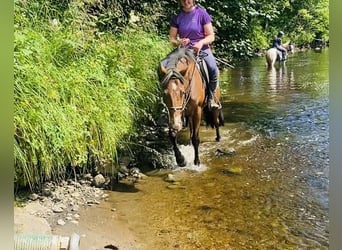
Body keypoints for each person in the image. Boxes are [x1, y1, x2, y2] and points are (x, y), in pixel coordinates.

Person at [168, 0, 219, 109]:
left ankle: (211, 97)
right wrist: (179, 41)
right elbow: (172, 39)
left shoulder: (202, 14)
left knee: (213, 69)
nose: (186, 1)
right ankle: (165, 104)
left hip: (202, 49)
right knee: (165, 66)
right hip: (183, 50)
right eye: (183, 0)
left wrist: (200, 43)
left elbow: (211, 36)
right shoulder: (177, 17)